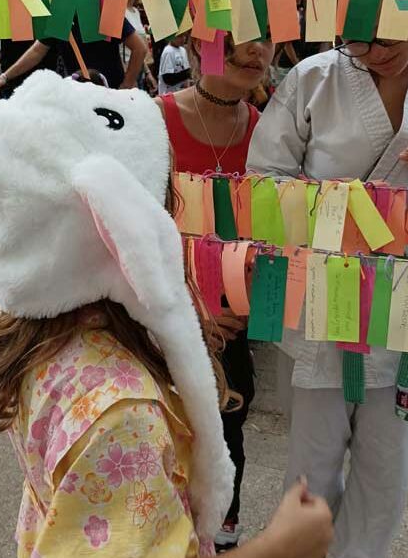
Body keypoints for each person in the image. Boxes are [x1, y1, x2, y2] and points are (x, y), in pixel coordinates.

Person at [0, 70, 333, 558]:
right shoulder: (123, 413)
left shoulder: (39, 337)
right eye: (160, 209)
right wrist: (281, 547)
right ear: (120, 231)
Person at [247, 0, 408, 558]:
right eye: (353, 38)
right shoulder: (314, 77)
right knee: (310, 464)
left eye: (380, 36)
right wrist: (330, 212)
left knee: (387, 466)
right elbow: (263, 177)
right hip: (323, 292)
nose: (367, 52)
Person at [155, 34, 275, 551]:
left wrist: (248, 307)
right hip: (160, 317)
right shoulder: (152, 121)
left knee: (228, 429)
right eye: (235, 38)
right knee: (159, 434)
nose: (256, 52)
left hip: (233, 325)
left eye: (265, 38)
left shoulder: (276, 133)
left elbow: (281, 237)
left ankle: (221, 528)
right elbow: (129, 228)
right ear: (194, 40)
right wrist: (186, 307)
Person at [0, 17, 147, 92]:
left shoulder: (103, 9)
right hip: (76, 94)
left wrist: (127, 83)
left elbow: (139, 49)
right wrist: (5, 76)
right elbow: (37, 51)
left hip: (110, 90)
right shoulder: (60, 16)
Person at [121, 0, 157, 92]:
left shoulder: (136, 12)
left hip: (139, 69)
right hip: (127, 69)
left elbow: (141, 45)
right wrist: (129, 77)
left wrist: (147, 72)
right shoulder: (120, 11)